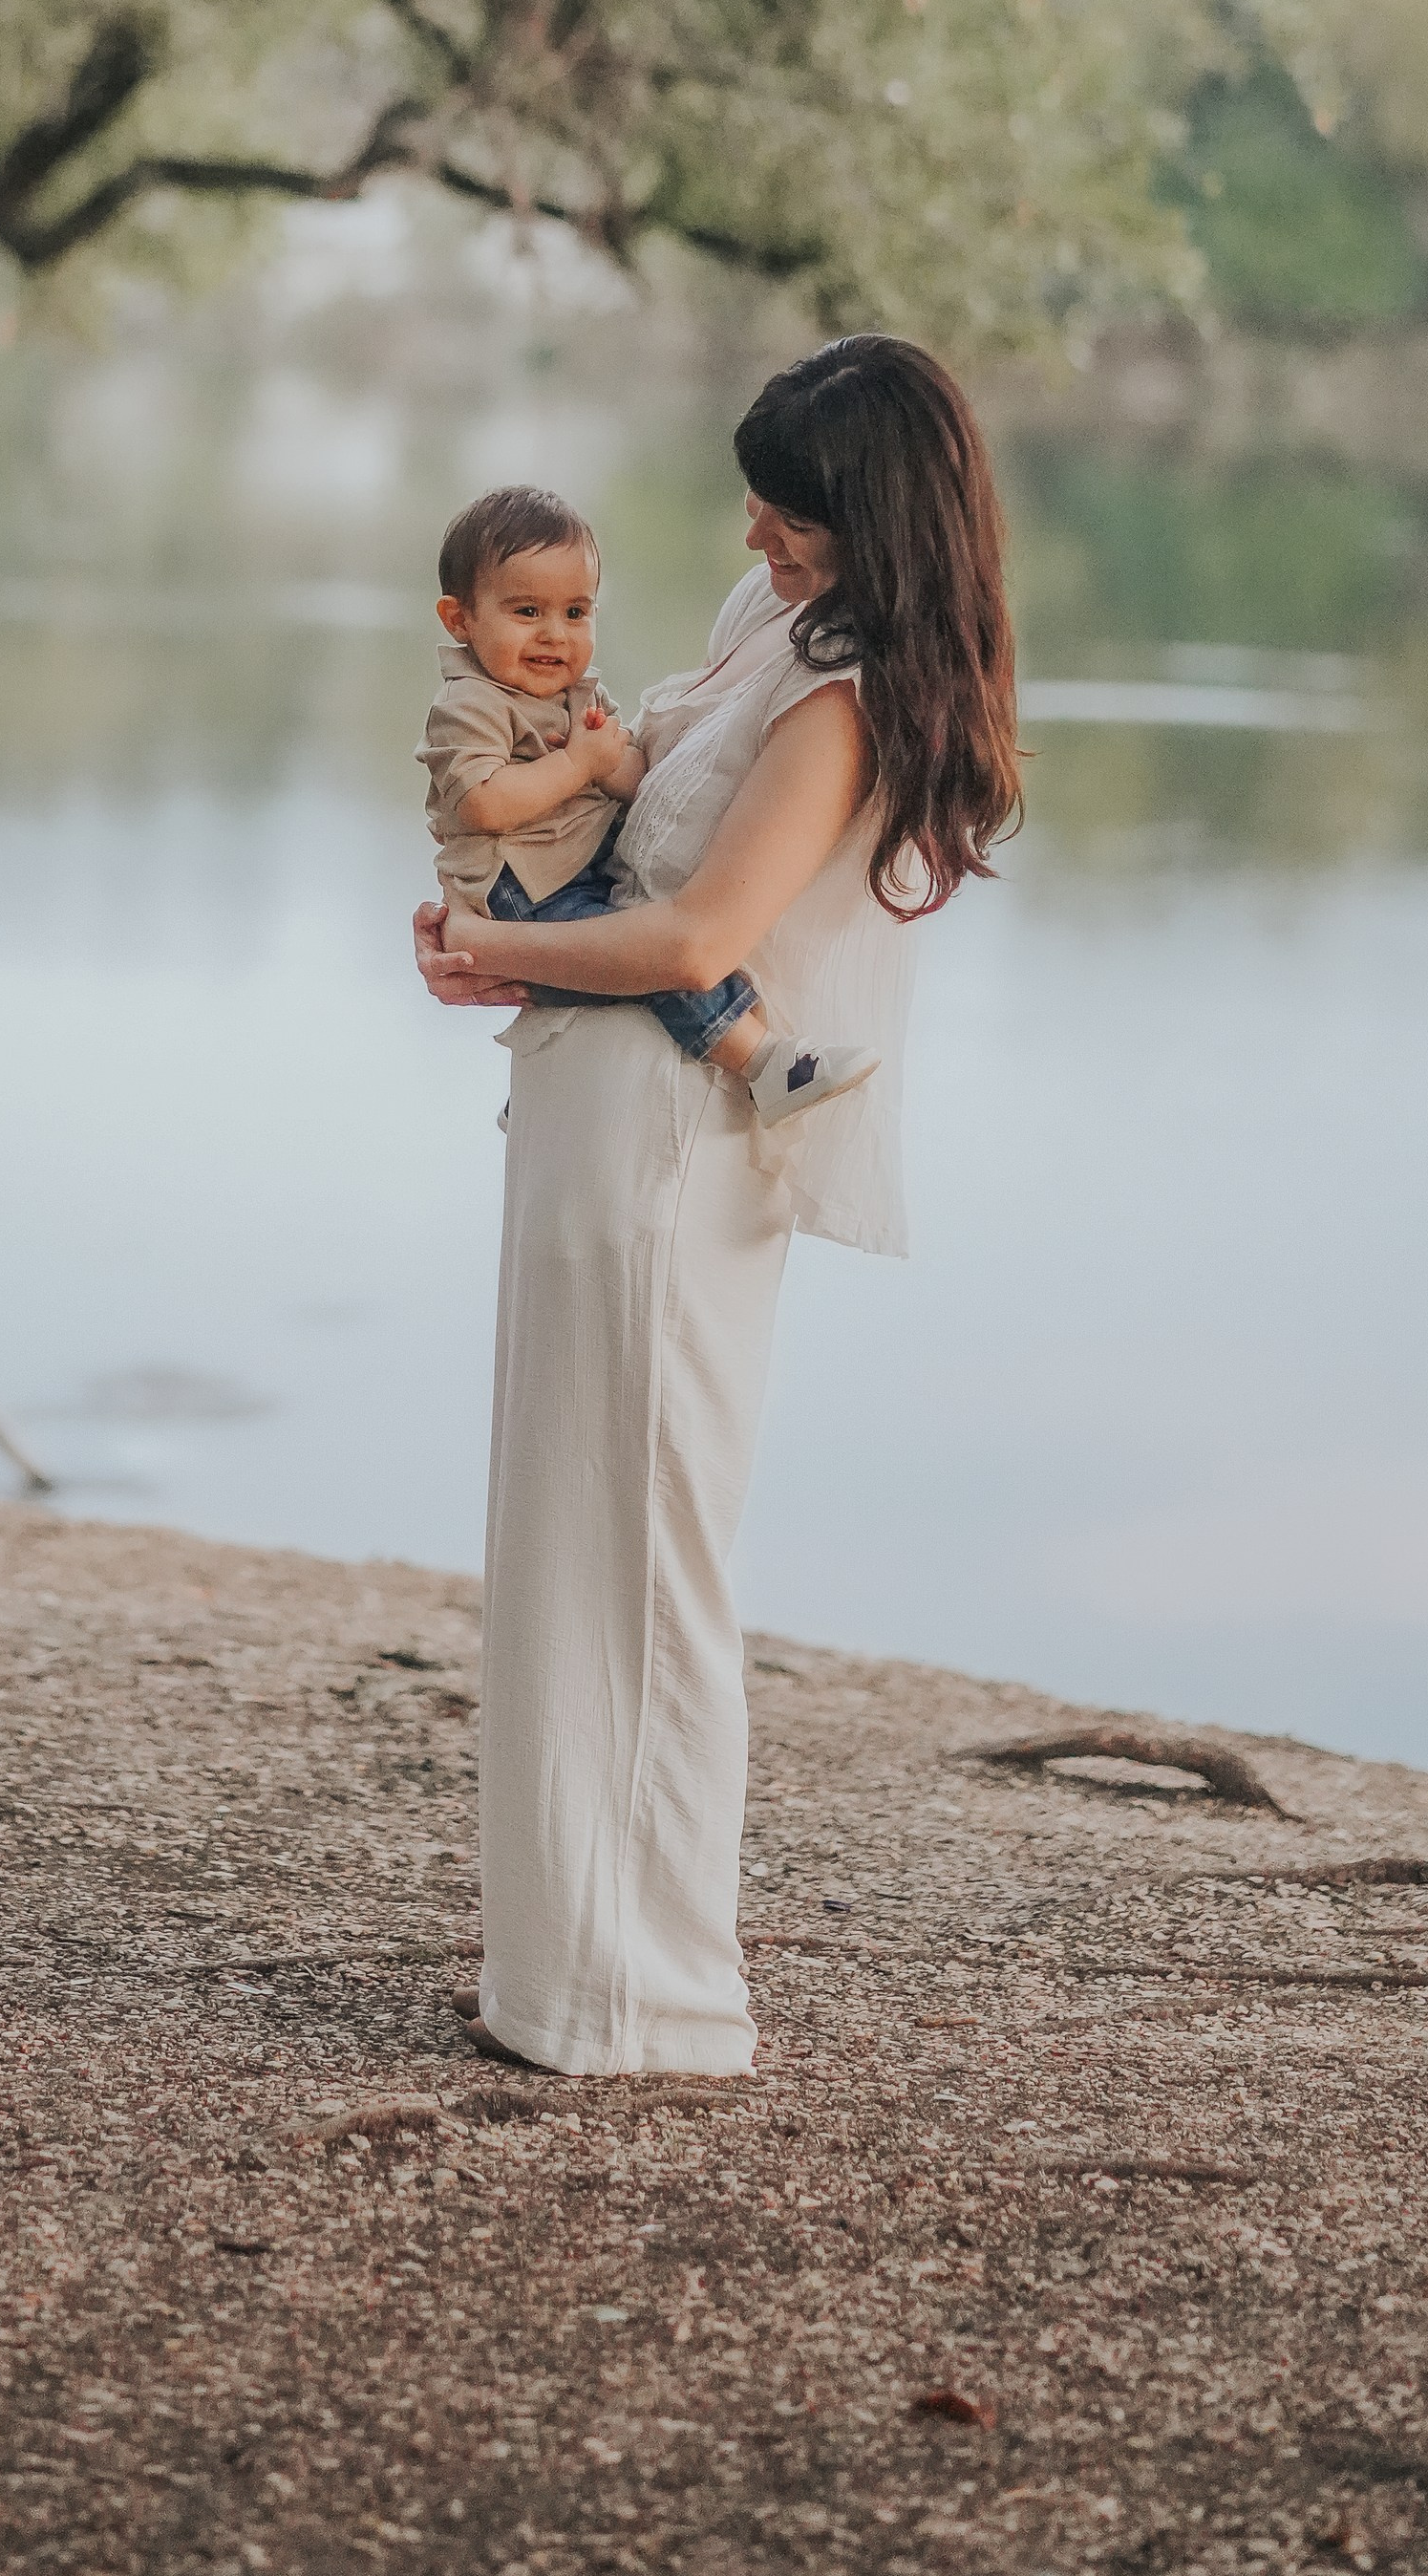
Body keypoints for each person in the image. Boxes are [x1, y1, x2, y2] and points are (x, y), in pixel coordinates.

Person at [414, 334, 1021, 2078]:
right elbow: (614, 811)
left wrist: (497, 947)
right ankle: (555, 1974)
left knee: (646, 1556)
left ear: (874, 522)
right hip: (588, 1117)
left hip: (671, 1153)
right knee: (561, 1544)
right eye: (756, 506)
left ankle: (652, 1998)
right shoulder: (774, 620)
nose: (753, 536)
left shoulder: (847, 700)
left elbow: (697, 938)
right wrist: (497, 925)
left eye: (788, 515)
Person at [419, 483, 878, 1122]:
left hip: (579, 862)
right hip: (522, 882)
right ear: (459, 619)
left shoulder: (579, 692)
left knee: (627, 942)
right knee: (638, 962)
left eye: (575, 612)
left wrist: (608, 759)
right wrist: (578, 763)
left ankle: (538, 1086)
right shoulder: (470, 704)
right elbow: (481, 804)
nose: (554, 635)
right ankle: (761, 1062)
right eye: (526, 612)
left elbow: (637, 779)